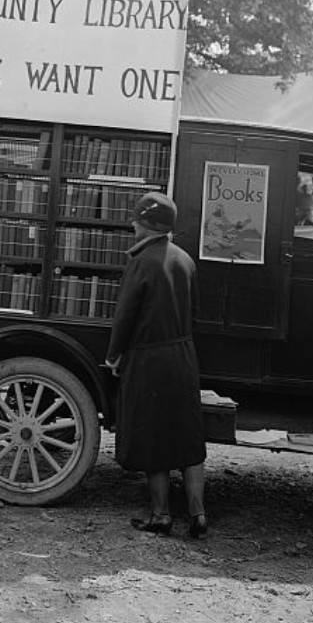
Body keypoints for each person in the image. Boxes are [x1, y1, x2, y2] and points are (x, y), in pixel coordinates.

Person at [105, 192, 207, 539]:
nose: (132, 224)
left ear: (147, 225)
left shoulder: (141, 261)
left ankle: (161, 515)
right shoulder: (186, 260)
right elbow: (195, 314)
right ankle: (198, 514)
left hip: (149, 358)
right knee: (189, 440)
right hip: (183, 355)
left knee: (154, 439)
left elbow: (125, 315)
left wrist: (114, 355)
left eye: (136, 219)